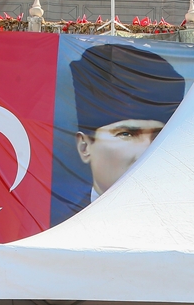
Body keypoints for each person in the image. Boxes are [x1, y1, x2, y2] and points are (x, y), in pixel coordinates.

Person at [68, 43, 185, 211]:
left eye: (158, 136)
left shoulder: (184, 217)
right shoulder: (60, 225)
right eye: (126, 134)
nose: (146, 152)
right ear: (84, 146)